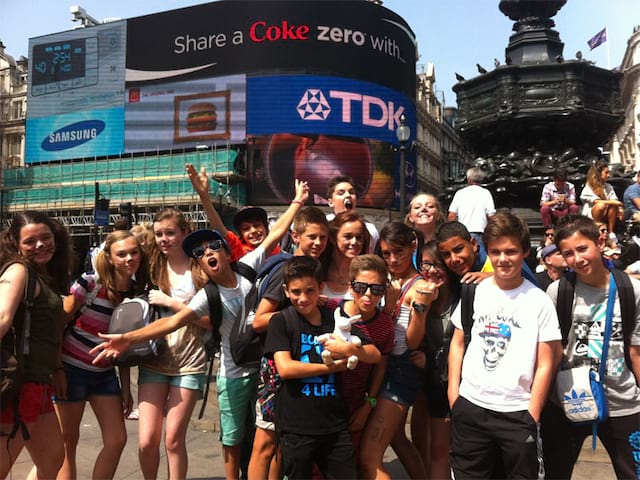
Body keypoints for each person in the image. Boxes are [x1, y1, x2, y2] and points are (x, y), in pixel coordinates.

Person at [90, 180, 309, 480]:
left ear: (226, 250)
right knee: (208, 440)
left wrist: (297, 202)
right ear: (199, 261)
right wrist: (127, 338)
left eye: (214, 246)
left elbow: (275, 234)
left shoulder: (244, 268)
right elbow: (168, 321)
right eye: (201, 252)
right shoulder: (200, 292)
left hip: (235, 367)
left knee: (255, 436)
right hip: (209, 370)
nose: (208, 252)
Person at [447, 211, 562, 479]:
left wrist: (532, 413)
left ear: (524, 252)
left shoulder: (539, 301)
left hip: (517, 412)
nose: (502, 259)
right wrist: (455, 394)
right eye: (495, 252)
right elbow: (458, 342)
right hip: (471, 407)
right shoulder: (474, 292)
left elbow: (547, 361)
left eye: (510, 251)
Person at [263, 256, 381, 479]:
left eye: (310, 290)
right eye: (296, 292)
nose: (303, 298)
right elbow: (286, 368)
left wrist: (350, 350)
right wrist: (332, 369)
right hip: (296, 427)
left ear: (321, 287)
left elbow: (374, 354)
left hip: (335, 425)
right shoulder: (282, 321)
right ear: (286, 291)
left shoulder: (334, 318)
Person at [542, 215, 640, 479]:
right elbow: (550, 351)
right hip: (568, 399)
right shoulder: (559, 291)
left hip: (622, 402)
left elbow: (636, 350)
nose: (578, 259)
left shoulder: (632, 290)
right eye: (568, 254)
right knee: (555, 472)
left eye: (582, 248)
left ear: (600, 241)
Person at [56, 230, 149, 479]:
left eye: (134, 252)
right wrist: (58, 370)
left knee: (117, 439)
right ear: (108, 257)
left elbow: (124, 344)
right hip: (71, 368)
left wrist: (126, 387)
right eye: (122, 254)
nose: (129, 258)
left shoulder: (136, 291)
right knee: (68, 442)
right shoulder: (89, 283)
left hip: (104, 374)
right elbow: (58, 325)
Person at [248, 206, 330, 480]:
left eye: (323, 237)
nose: (318, 243)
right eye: (312, 237)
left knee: (283, 446)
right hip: (275, 369)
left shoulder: (315, 268)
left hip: (300, 367)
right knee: (265, 444)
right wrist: (300, 309)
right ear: (295, 236)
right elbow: (259, 320)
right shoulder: (286, 269)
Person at [359, 222, 437, 480]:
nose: (392, 259)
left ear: (413, 246)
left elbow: (412, 342)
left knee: (369, 455)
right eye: (386, 253)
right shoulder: (386, 279)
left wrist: (413, 308)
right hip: (381, 366)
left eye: (399, 252)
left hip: (401, 370)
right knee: (397, 439)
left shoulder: (421, 287)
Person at [136, 208, 209, 479]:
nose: (164, 239)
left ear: (184, 233)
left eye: (170, 233)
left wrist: (173, 303)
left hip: (189, 362)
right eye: (159, 234)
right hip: (154, 359)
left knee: (173, 440)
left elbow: (211, 321)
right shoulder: (151, 267)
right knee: (146, 441)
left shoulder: (199, 268)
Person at [0, 212, 73, 479]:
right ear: (16, 245)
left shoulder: (45, 276)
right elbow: (2, 317)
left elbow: (50, 330)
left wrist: (58, 368)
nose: (41, 245)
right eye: (30, 241)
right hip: (21, 384)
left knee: (53, 457)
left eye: (46, 237)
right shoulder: (19, 270)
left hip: (39, 382)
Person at [330, 255, 394, 469]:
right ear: (350, 287)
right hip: (324, 399)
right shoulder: (331, 311)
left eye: (376, 289)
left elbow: (381, 366)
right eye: (361, 286)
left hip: (357, 401)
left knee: (351, 463)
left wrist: (369, 404)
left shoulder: (385, 325)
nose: (368, 295)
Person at [411, 240, 458, 480]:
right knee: (439, 448)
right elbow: (411, 340)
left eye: (438, 264)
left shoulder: (465, 296)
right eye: (426, 264)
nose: (431, 270)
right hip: (437, 383)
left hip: (465, 383)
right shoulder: (420, 295)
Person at [187, 163, 285, 260]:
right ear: (241, 235)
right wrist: (204, 196)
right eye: (246, 228)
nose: (253, 231)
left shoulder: (280, 253)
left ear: (266, 228)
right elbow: (219, 228)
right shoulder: (240, 251)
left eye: (257, 225)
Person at [447, 166, 496, 260]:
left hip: (462, 233)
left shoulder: (460, 193)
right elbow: (491, 216)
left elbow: (452, 215)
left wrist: (451, 231)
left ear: (469, 179)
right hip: (480, 234)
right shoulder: (485, 193)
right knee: (481, 261)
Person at [322, 210, 370, 300]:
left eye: (359, 237)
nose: (354, 242)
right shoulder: (318, 270)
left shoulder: (368, 274)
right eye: (348, 236)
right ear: (333, 238)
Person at [326, 175, 379, 253]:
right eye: (341, 193)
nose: (348, 195)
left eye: (351, 192)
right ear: (331, 202)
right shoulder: (325, 225)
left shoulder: (370, 230)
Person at [580, 159, 623, 235]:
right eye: (606, 173)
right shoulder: (589, 186)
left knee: (614, 205)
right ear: (599, 174)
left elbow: (614, 199)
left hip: (606, 213)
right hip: (592, 214)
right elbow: (596, 201)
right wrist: (612, 202)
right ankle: (597, 229)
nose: (608, 175)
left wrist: (620, 208)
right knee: (601, 205)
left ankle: (611, 231)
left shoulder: (608, 187)